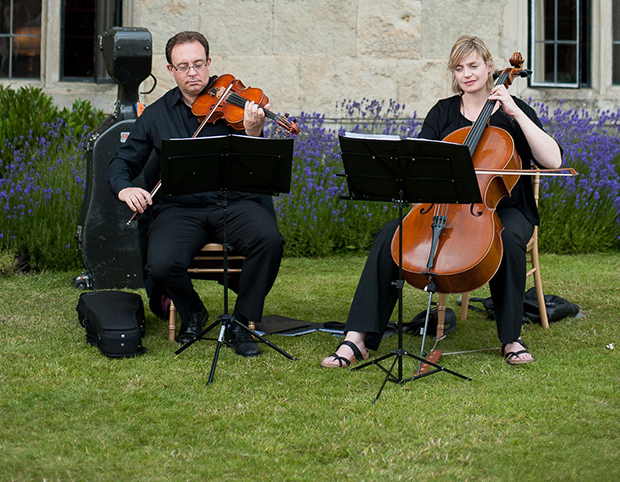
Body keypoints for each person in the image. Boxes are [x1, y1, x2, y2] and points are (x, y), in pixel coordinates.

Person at [321, 35, 562, 368]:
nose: (467, 74)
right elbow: (420, 165)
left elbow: (552, 160)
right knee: (391, 236)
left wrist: (516, 111)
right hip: (444, 208)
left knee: (505, 239)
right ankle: (357, 337)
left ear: (490, 68)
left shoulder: (512, 113)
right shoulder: (443, 112)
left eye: (473, 66)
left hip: (504, 208)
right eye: (459, 68)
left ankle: (511, 338)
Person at [108, 30, 284, 356]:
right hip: (180, 208)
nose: (193, 73)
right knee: (161, 264)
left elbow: (257, 170)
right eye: (184, 66)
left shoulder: (235, 106)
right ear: (170, 70)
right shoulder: (157, 115)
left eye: (198, 64)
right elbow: (122, 162)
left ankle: (241, 322)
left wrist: (254, 133)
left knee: (269, 240)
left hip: (232, 202)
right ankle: (193, 312)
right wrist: (125, 188)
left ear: (209, 64)